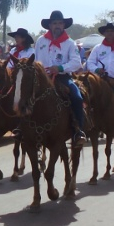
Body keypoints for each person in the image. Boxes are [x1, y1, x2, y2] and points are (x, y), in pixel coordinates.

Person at [34, 10, 87, 144]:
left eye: (60, 23)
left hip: (62, 77)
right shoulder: (41, 40)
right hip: (42, 78)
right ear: (50, 25)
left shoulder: (70, 43)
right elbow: (35, 59)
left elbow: (76, 62)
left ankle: (78, 130)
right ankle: (22, 128)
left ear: (63, 25)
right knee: (25, 94)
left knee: (77, 97)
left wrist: (60, 68)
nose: (57, 25)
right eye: (54, 23)